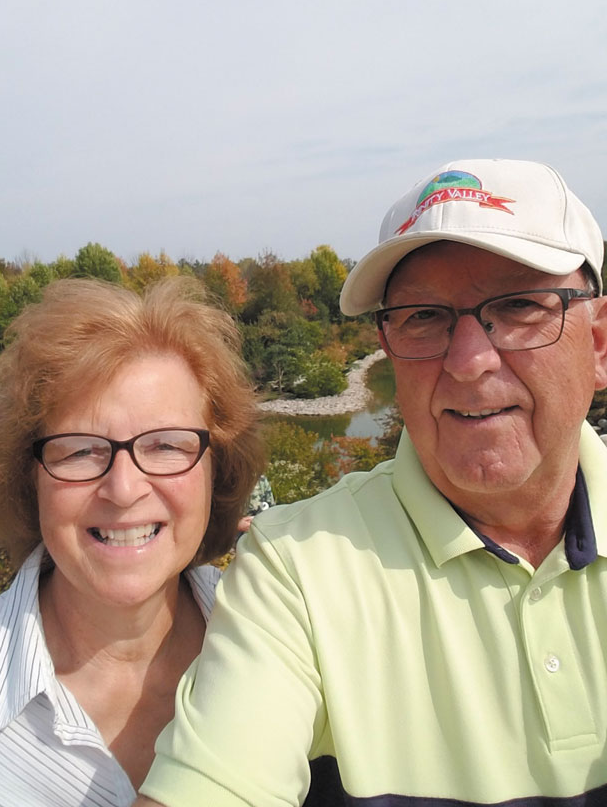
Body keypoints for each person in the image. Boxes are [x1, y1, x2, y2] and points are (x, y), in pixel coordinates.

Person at [137, 159, 607, 806]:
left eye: (519, 305)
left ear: (599, 344)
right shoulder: (296, 571)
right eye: (424, 316)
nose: (469, 361)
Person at [0, 276, 263, 807]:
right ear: (29, 479)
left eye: (165, 445)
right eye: (81, 450)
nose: (124, 489)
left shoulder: (281, 644)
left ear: (215, 469)